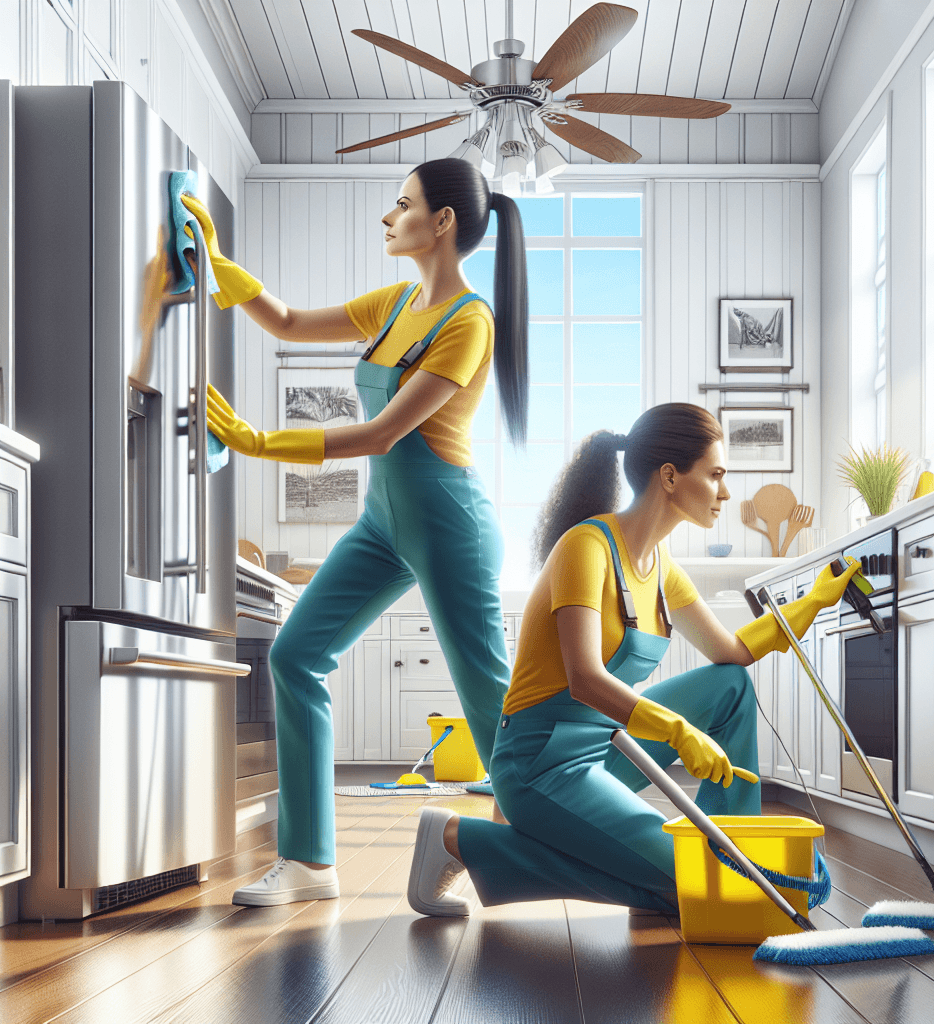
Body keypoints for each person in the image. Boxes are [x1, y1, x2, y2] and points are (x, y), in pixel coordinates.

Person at [181, 158, 529, 907]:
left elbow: (383, 433)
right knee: (296, 655)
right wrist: (218, 265)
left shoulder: (469, 323)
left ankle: (530, 844)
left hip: (448, 525)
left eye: (401, 205)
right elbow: (290, 322)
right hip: (384, 523)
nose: (387, 217)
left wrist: (259, 442)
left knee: (488, 702)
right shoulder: (397, 301)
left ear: (440, 223)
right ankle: (309, 862)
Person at [404, 404, 861, 917]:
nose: (725, 493)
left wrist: (814, 601)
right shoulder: (586, 547)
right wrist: (679, 732)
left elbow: (730, 652)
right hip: (539, 764)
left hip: (602, 747)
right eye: (715, 476)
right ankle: (458, 839)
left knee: (729, 685)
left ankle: (730, 848)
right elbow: (584, 680)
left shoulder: (662, 567)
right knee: (684, 886)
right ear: (669, 476)